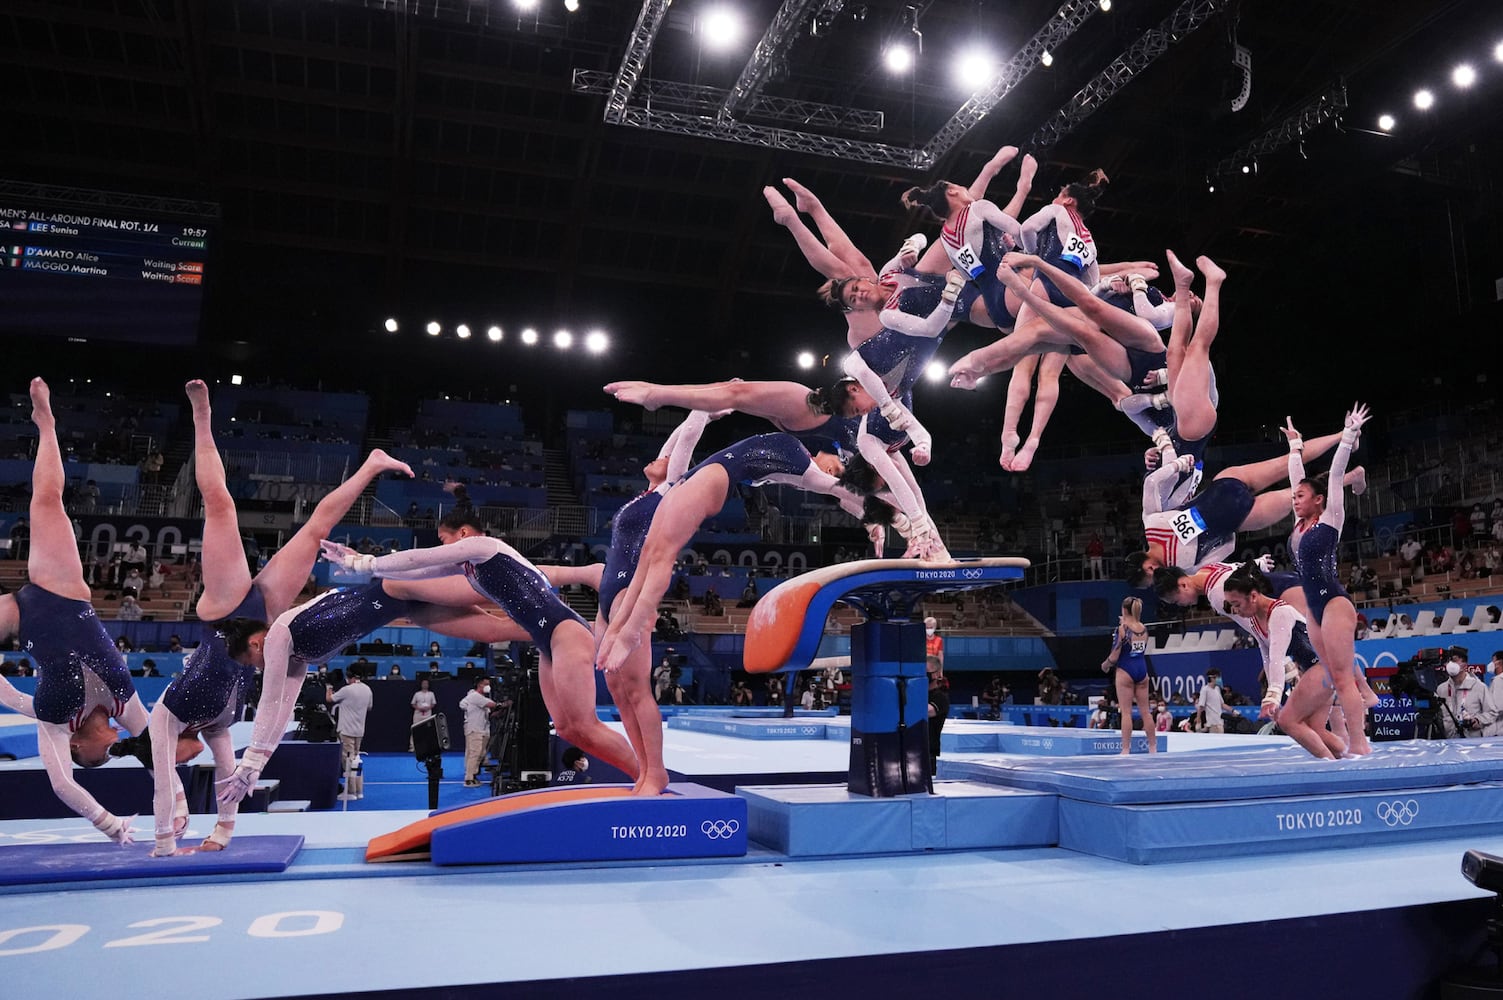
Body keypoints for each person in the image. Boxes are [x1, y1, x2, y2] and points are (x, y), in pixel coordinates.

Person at [322, 516, 643, 783]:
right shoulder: (471, 568)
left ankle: (646, 778)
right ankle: (642, 777)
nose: (444, 547)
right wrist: (366, 564)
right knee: (567, 729)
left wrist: (362, 562)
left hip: (565, 631)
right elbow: (414, 571)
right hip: (547, 641)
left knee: (586, 725)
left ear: (463, 533)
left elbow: (422, 557)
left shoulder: (483, 547)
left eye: (445, 539)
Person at [217, 579, 528, 805]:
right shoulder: (296, 657)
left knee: (490, 585)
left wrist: (251, 764)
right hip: (404, 604)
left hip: (397, 588)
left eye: (251, 661)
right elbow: (282, 706)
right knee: (492, 631)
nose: (258, 668)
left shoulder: (279, 637)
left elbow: (270, 701)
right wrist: (255, 764)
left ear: (256, 643)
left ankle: (566, 590)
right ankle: (564, 630)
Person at [0, 379, 150, 844]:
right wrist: (177, 801)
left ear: (77, 746)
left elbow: (63, 784)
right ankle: (46, 425)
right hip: (64, 593)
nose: (110, 749)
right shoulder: (126, 709)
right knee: (47, 502)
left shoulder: (50, 720)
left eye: (98, 758)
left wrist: (110, 826)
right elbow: (157, 745)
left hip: (21, 618)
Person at [597, 433, 882, 674]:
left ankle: (629, 631)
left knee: (660, 555)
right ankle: (619, 630)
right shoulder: (801, 462)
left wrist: (871, 522)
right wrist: (887, 518)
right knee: (651, 554)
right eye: (835, 464)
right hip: (703, 480)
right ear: (822, 450)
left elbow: (841, 494)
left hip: (709, 479)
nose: (833, 472)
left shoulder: (801, 469)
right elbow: (841, 490)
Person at [1285, 405, 1376, 755]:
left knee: (1342, 674)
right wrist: (1295, 447)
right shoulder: (1299, 526)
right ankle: (1357, 717)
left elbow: (1336, 475)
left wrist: (1349, 434)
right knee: (1334, 674)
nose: (1296, 500)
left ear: (1318, 500)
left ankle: (1360, 743)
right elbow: (1298, 479)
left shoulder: (1330, 519)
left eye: (1302, 496)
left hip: (1335, 603)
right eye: (1294, 497)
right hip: (1314, 608)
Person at [147, 617, 268, 856]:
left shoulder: (166, 716)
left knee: (159, 764)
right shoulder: (221, 723)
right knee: (226, 770)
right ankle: (193, 817)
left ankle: (180, 813)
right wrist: (222, 833)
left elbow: (162, 781)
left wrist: (163, 844)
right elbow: (228, 775)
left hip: (222, 628)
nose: (182, 762)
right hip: (240, 650)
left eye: (178, 761)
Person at [1219, 564, 1347, 758]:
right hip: (1317, 670)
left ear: (1253, 596)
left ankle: (1331, 766)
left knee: (1288, 722)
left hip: (1323, 669)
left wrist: (1273, 697)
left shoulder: (1280, 613)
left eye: (1236, 604)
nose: (1235, 611)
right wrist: (1272, 696)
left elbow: (1278, 657)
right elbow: (1268, 658)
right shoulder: (1255, 619)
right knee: (1315, 729)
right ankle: (1349, 760)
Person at [1100, 596, 1157, 754]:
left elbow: (1115, 656)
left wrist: (1105, 665)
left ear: (1124, 610)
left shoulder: (1122, 629)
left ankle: (1125, 749)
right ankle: (1153, 748)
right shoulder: (1143, 628)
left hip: (1125, 670)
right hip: (1142, 670)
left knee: (1126, 712)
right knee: (1146, 712)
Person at [328, 671, 373, 800]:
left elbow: (329, 699)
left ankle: (351, 792)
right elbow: (369, 707)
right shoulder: (367, 689)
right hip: (359, 730)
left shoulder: (347, 690)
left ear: (351, 678)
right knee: (356, 760)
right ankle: (359, 791)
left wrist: (328, 686)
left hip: (347, 730)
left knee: (348, 761)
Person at [1437, 652, 1493, 739]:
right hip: (1449, 743)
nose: (1450, 664)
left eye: (1454, 660)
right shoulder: (1441, 689)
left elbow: (1492, 712)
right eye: (1448, 661)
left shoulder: (1479, 687)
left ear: (1465, 665)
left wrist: (1478, 720)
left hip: (1472, 742)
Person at [460, 676, 500, 786]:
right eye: (485, 684)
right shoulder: (475, 696)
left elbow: (489, 713)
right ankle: (468, 778)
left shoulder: (482, 698)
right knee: (474, 753)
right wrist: (504, 704)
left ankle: (473, 775)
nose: (488, 687)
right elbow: (493, 705)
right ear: (479, 685)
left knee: (480, 754)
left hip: (482, 729)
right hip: (474, 729)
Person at [926, 655, 949, 774]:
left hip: (928, 752)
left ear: (936, 674)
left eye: (926, 672)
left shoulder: (940, 697)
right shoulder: (917, 694)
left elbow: (924, 712)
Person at [1191, 668, 1225, 734]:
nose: (1219, 679)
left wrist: (1233, 710)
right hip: (1213, 723)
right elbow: (1201, 706)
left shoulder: (1217, 689)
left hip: (1220, 722)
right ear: (1212, 678)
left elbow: (1222, 704)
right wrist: (1198, 720)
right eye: (1218, 677)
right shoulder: (1205, 690)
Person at [410, 676, 437, 751]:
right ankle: (413, 746)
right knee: (415, 730)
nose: (425, 685)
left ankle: (428, 747)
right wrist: (419, 708)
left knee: (428, 731)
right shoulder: (417, 694)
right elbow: (413, 703)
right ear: (421, 685)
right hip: (418, 714)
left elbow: (433, 703)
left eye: (426, 684)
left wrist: (427, 708)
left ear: (428, 685)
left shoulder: (431, 694)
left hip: (428, 714)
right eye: (423, 683)